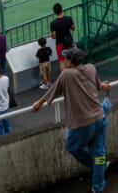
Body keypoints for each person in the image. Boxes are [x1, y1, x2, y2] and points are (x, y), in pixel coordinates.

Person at [32, 48, 111, 193]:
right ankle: (98, 185)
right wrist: (102, 86)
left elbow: (53, 90)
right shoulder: (90, 68)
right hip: (99, 119)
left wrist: (39, 103)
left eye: (66, 59)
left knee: (73, 147)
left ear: (69, 61)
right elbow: (96, 84)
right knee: (99, 153)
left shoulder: (67, 74)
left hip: (82, 124)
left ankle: (96, 165)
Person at [50, 3, 77, 76]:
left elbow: (54, 36)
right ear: (62, 10)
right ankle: (74, 74)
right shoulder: (68, 18)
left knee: (62, 61)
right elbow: (73, 28)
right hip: (69, 41)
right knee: (72, 58)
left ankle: (64, 77)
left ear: (54, 12)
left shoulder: (53, 23)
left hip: (59, 43)